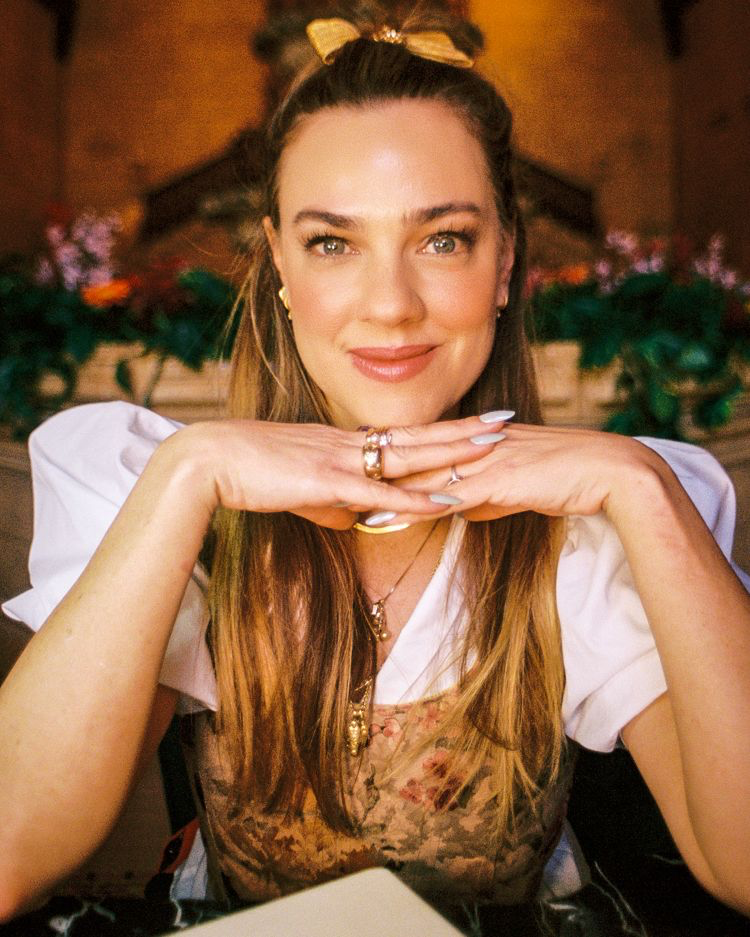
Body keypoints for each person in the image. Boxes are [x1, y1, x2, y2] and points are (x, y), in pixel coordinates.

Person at [2, 3, 750, 927]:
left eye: (443, 238)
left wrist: (644, 488)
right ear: (276, 260)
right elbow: (9, 856)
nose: (390, 306)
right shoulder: (155, 488)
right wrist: (188, 475)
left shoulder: (591, 534)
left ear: (507, 258)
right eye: (332, 242)